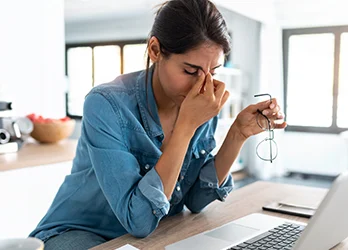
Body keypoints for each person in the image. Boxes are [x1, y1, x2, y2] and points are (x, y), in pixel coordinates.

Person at [29, 0, 287, 249]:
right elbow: (138, 220)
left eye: (214, 72)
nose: (203, 86)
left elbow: (196, 200)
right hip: (82, 232)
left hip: (151, 233)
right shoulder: (106, 104)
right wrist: (186, 126)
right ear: (155, 50)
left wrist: (238, 134)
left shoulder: (202, 101)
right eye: (190, 71)